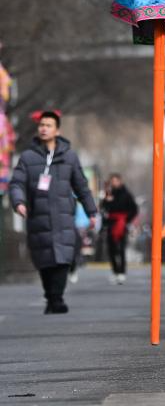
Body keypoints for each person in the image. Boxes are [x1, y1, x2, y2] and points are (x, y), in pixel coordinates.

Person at [9, 110, 97, 313]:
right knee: (44, 260)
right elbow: (16, 183)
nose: (44, 128)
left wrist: (91, 212)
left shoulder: (69, 157)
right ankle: (51, 297)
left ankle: (56, 299)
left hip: (64, 217)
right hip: (38, 218)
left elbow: (82, 187)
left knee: (64, 258)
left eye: (48, 125)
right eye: (41, 125)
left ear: (57, 130)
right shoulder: (28, 157)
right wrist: (19, 203)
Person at [100, 173, 138, 284]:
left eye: (116, 181)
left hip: (122, 224)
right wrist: (106, 200)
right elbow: (103, 208)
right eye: (112, 181)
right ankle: (115, 271)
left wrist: (126, 220)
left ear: (120, 181)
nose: (114, 183)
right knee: (111, 249)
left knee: (121, 249)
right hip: (110, 224)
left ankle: (122, 272)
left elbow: (134, 209)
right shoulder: (108, 193)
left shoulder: (126, 194)